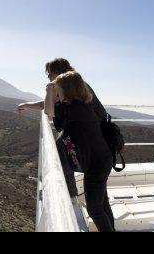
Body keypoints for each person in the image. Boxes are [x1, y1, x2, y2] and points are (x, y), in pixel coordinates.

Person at [16, 58, 107, 197]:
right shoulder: (74, 83)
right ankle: (73, 193)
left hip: (89, 133)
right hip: (90, 132)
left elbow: (48, 108)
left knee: (61, 148)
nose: (48, 76)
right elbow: (48, 104)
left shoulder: (71, 86)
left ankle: (70, 195)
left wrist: (33, 100)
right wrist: (27, 105)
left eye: (49, 72)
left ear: (58, 72)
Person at [48, 71, 115, 232]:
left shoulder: (72, 108)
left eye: (59, 89)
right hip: (101, 159)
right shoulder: (83, 103)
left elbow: (49, 112)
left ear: (67, 90)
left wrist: (49, 92)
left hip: (97, 164)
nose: (57, 92)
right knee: (102, 203)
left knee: (94, 209)